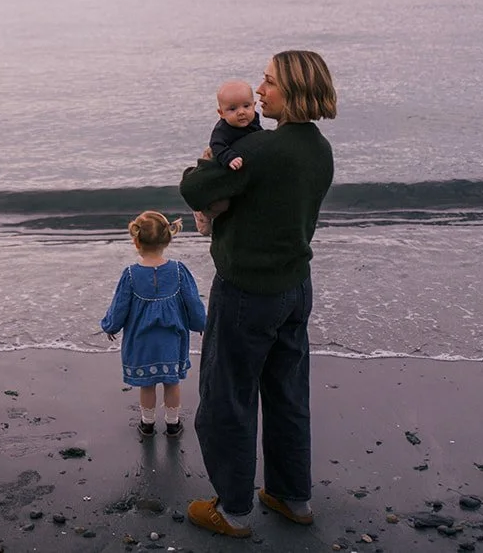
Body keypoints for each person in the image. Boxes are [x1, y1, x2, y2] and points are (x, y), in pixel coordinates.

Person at [179, 50, 337, 538]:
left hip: (246, 291)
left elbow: (196, 189)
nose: (260, 91)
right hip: (294, 287)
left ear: (291, 90)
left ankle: (233, 511)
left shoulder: (263, 152)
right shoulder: (319, 148)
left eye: (268, 83)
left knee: (228, 398)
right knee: (288, 393)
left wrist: (201, 168)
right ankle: (293, 497)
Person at [100, 211, 207, 440]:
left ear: (136, 240)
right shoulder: (179, 271)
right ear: (168, 238)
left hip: (141, 341)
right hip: (172, 339)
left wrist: (110, 326)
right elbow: (193, 301)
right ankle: (172, 424)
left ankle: (147, 425)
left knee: (147, 384)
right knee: (171, 382)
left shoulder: (130, 274)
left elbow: (119, 307)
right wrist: (200, 323)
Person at [194, 80, 263, 235]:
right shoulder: (222, 130)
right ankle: (203, 213)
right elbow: (217, 145)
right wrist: (229, 157)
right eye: (232, 109)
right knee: (222, 204)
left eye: (246, 106)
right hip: (218, 155)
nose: (241, 112)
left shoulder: (253, 121)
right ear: (221, 113)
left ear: (254, 104)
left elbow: (258, 135)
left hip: (236, 162)